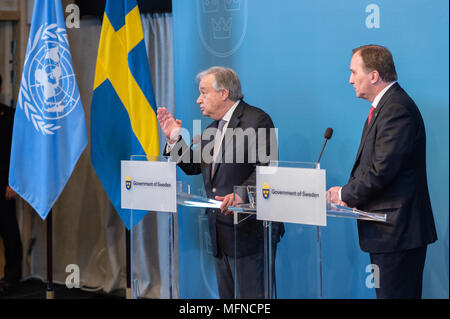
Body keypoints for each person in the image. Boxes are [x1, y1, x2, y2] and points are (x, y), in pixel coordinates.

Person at [157, 66, 284, 298]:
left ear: (224, 93)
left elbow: (268, 169)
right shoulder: (212, 129)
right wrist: (174, 139)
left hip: (250, 233)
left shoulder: (258, 120)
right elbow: (195, 166)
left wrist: (241, 194)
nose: (198, 100)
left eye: (204, 92)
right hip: (221, 233)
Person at [327, 45, 437, 299]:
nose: (350, 79)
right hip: (388, 232)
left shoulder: (396, 109)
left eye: (354, 72)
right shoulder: (386, 107)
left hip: (398, 232)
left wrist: (344, 193)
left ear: (374, 75)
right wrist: (344, 192)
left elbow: (381, 171)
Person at [0, 74, 23, 296]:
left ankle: (12, 276)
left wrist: (13, 182)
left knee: (9, 232)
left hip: (3, 185)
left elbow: (17, 153)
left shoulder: (9, 116)